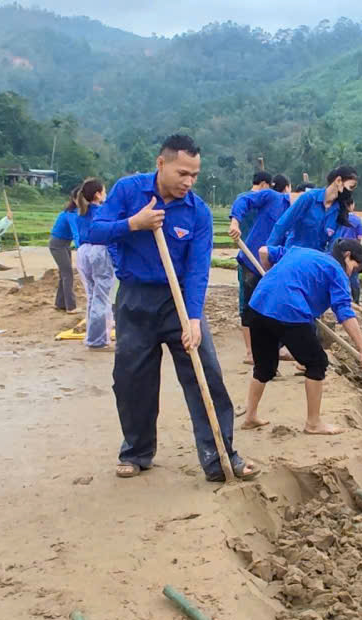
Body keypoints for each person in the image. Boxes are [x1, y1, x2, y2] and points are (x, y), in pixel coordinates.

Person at [88, 134, 258, 482]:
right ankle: (136, 452)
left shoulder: (198, 212)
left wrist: (193, 318)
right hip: (135, 299)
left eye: (194, 175)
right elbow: (93, 231)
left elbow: (198, 270)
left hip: (177, 300)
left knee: (205, 374)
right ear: (161, 163)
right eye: (182, 173)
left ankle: (220, 457)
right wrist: (134, 224)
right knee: (131, 379)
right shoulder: (129, 191)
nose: (189, 181)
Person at [240, 240, 362, 435]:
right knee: (317, 363)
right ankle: (313, 423)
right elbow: (344, 312)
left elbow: (264, 252)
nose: (352, 274)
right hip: (288, 311)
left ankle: (250, 417)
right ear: (347, 255)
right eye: (355, 267)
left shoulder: (300, 251)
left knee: (264, 367)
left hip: (258, 305)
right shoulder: (337, 271)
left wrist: (273, 279)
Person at [229, 173, 291, 364]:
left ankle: (271, 352)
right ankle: (252, 353)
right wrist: (235, 221)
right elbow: (243, 201)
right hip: (251, 261)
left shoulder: (299, 214)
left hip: (274, 268)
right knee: (251, 308)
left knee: (272, 309)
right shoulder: (271, 198)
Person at [267, 166, 358, 251]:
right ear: (338, 181)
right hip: (294, 253)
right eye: (351, 187)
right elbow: (283, 224)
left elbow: (333, 246)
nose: (350, 192)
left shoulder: (340, 211)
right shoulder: (309, 198)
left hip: (316, 258)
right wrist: (269, 250)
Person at [72, 178, 112, 350]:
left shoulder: (81, 213)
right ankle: (98, 339)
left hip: (83, 251)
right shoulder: (101, 212)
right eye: (104, 191)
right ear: (98, 194)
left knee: (92, 295)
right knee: (101, 296)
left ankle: (93, 335)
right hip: (98, 250)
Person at [48, 187, 80, 313]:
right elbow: (76, 232)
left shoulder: (75, 212)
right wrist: (80, 247)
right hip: (58, 244)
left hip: (65, 244)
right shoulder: (71, 214)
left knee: (64, 274)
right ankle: (71, 307)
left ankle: (60, 303)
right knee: (68, 274)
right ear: (75, 199)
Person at [332, 198, 362, 302]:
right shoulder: (357, 220)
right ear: (351, 205)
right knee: (353, 277)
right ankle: (356, 301)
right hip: (352, 250)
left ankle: (341, 298)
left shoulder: (338, 218)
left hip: (338, 249)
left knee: (339, 274)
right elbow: (359, 237)